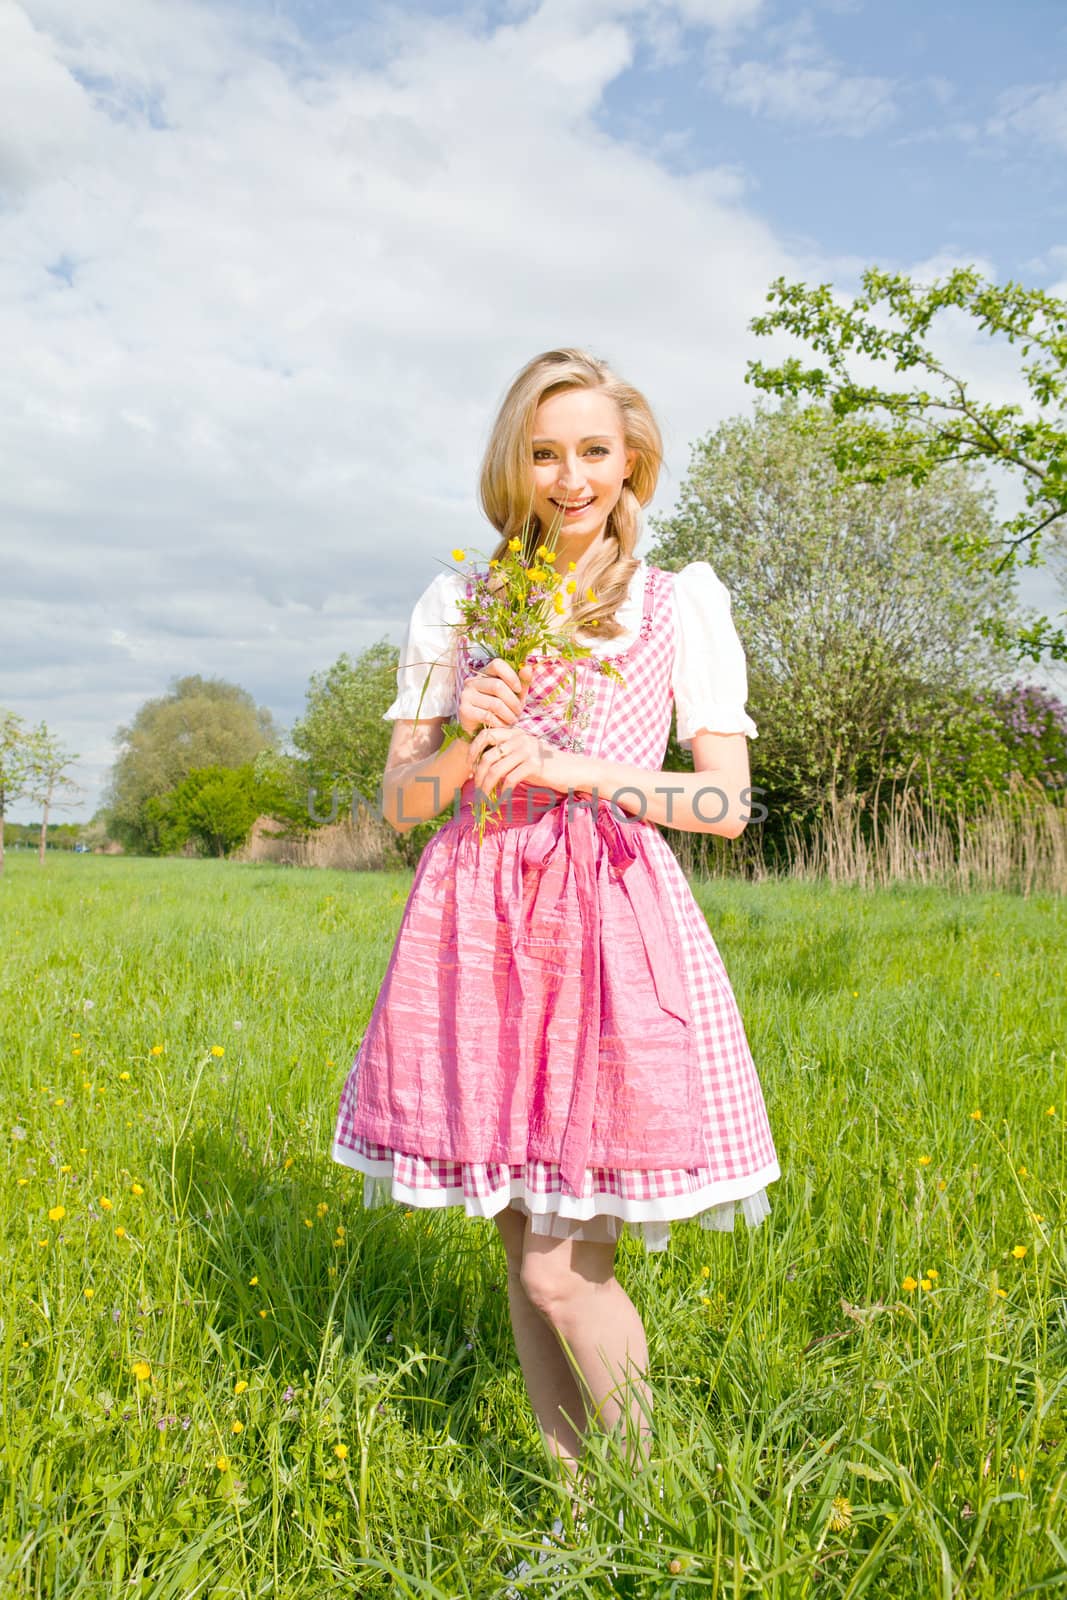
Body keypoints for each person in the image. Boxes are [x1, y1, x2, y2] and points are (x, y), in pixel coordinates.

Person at [331, 347, 780, 1504]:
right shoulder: (458, 602)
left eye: (592, 450)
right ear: (514, 464)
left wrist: (579, 765)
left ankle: (656, 1500)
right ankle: (577, 1512)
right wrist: (463, 743)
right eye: (544, 452)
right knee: (520, 1251)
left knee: (556, 1271)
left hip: (607, 924)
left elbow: (724, 805)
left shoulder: (677, 602)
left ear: (630, 458)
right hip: (476, 923)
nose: (569, 476)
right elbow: (399, 806)